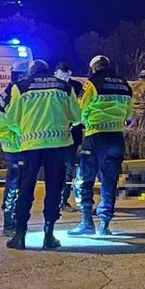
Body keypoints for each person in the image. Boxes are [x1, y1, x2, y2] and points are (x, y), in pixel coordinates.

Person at [0, 59, 82, 250]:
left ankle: (20, 236)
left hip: (31, 146)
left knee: (25, 189)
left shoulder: (20, 87)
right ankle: (49, 235)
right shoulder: (64, 87)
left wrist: (26, 131)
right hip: (58, 146)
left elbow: (12, 120)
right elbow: (77, 118)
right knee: (54, 190)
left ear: (31, 72)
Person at [69, 55, 133, 236]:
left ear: (94, 68)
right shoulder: (124, 84)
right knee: (109, 182)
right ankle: (105, 225)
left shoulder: (92, 83)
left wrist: (77, 123)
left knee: (84, 179)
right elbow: (129, 114)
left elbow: (80, 110)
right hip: (116, 138)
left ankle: (87, 222)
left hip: (95, 137)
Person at [0, 62, 31, 236]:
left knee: (18, 183)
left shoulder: (12, 90)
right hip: (15, 143)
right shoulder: (15, 92)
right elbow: (13, 121)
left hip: (14, 142)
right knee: (14, 184)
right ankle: (9, 223)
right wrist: (28, 134)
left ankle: (15, 220)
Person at [54, 62, 84, 212]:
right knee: (57, 170)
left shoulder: (76, 86)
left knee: (69, 169)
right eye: (63, 74)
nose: (65, 77)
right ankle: (55, 201)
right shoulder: (51, 87)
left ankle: (63, 201)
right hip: (55, 136)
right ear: (56, 73)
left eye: (68, 74)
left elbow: (81, 107)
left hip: (72, 136)